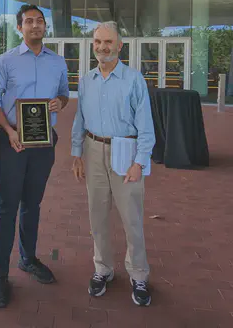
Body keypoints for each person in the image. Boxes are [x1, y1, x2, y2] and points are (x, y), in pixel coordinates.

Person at [0, 4, 69, 308]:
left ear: (45, 27)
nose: (35, 25)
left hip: (43, 144)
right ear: (19, 28)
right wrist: (9, 131)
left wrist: (60, 102)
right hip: (11, 142)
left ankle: (28, 258)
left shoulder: (57, 62)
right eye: (29, 22)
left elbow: (64, 92)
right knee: (7, 205)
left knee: (32, 203)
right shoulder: (5, 61)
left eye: (40, 21)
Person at [71, 21, 155, 307]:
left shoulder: (134, 80)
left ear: (120, 46)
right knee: (98, 216)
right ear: (93, 45)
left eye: (108, 42)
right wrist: (76, 153)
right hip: (94, 150)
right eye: (97, 42)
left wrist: (139, 163)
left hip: (125, 152)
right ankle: (103, 268)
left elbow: (146, 127)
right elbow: (79, 119)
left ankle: (139, 273)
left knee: (131, 217)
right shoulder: (86, 81)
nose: (102, 47)